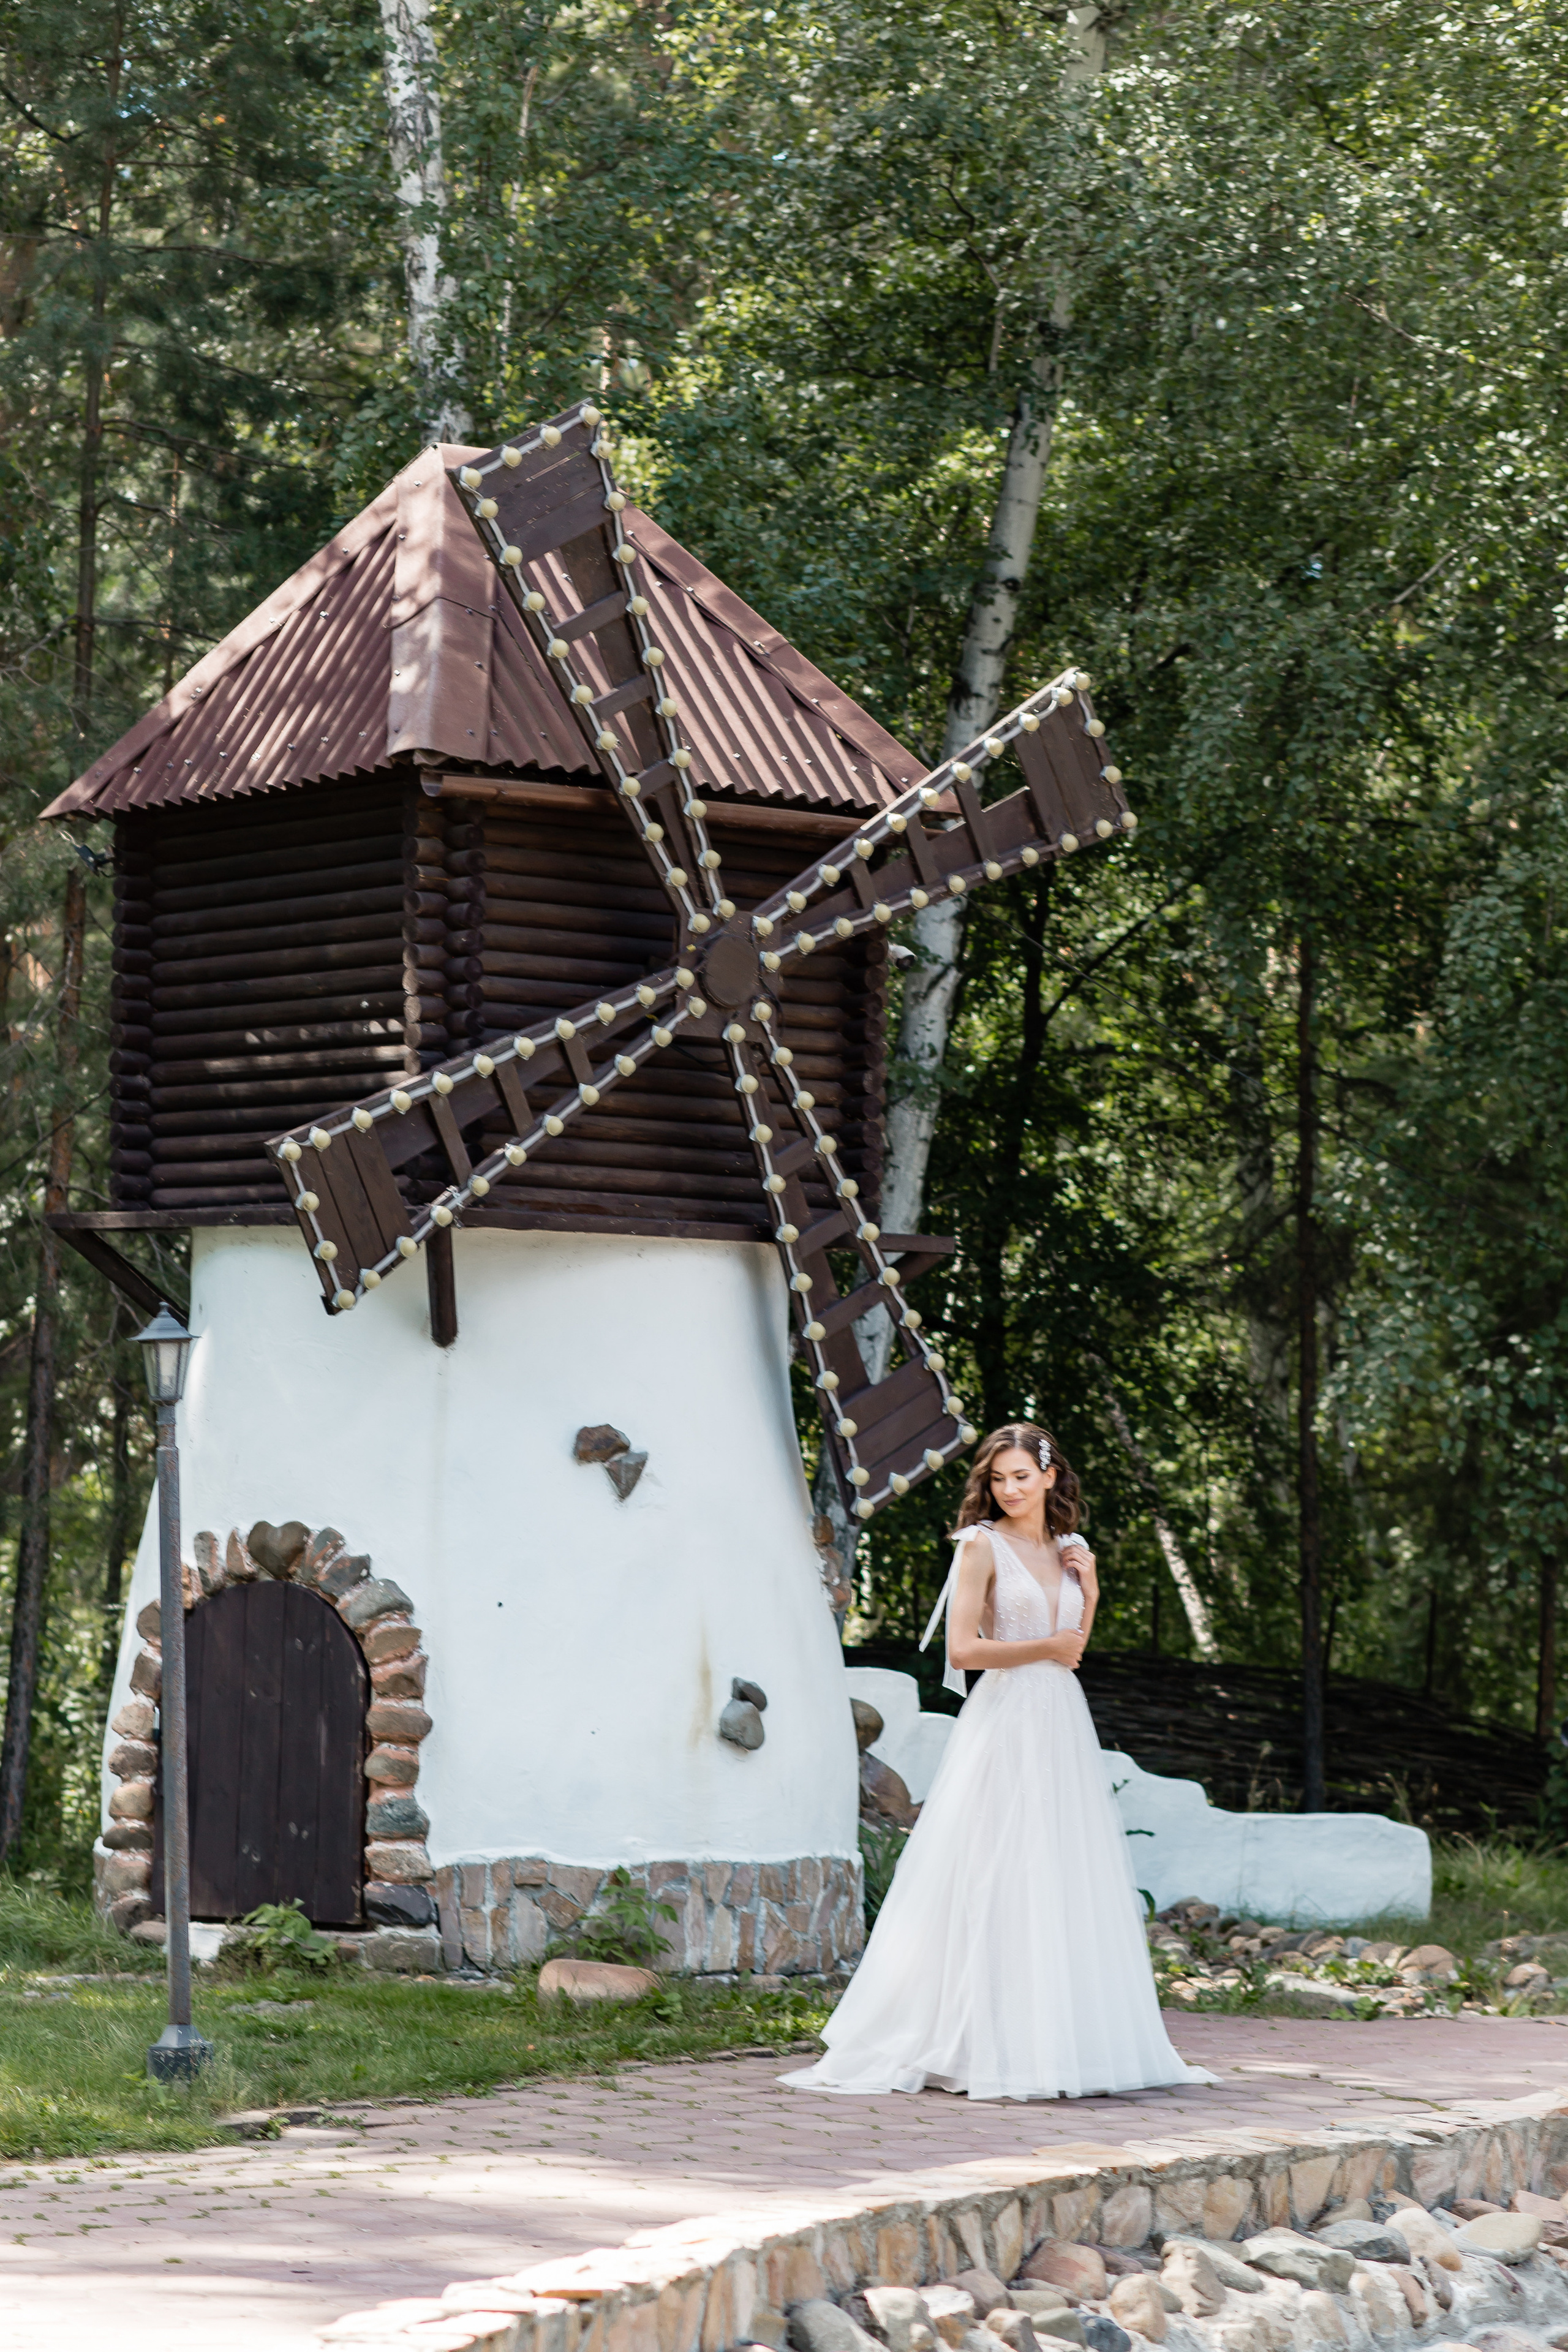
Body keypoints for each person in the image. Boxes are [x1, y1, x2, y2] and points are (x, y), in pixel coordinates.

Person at [782, 1420, 1216, 2101]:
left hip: (1060, 1721)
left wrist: (1091, 1594)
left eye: (1021, 1476)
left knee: (1057, 1870)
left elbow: (1072, 1649)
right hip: (1006, 1717)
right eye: (997, 1478)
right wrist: (1044, 1648)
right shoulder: (979, 1546)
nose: (1009, 1489)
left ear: (1049, 1476)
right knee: (992, 1866)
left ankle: (1052, 2040)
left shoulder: (1070, 1550)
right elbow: (962, 1651)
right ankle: (970, 2038)